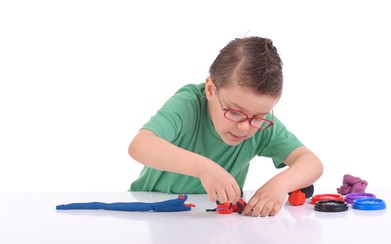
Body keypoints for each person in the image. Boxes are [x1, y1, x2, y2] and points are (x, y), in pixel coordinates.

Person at [128, 36, 323, 217]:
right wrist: (204, 168)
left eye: (259, 116)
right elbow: (140, 146)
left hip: (215, 222)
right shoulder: (189, 105)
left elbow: (311, 162)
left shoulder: (261, 125)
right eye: (235, 112)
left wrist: (280, 185)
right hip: (152, 212)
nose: (245, 128)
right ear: (211, 89)